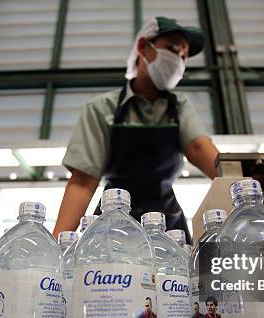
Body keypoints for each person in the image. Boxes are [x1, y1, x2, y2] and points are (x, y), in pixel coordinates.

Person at [53, 17, 219, 244]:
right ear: (143, 47)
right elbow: (83, 181)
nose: (179, 60)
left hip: (167, 225)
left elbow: (201, 148)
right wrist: (57, 244)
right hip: (112, 221)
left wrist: (252, 188)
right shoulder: (103, 109)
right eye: (171, 49)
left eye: (183, 56)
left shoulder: (178, 108)